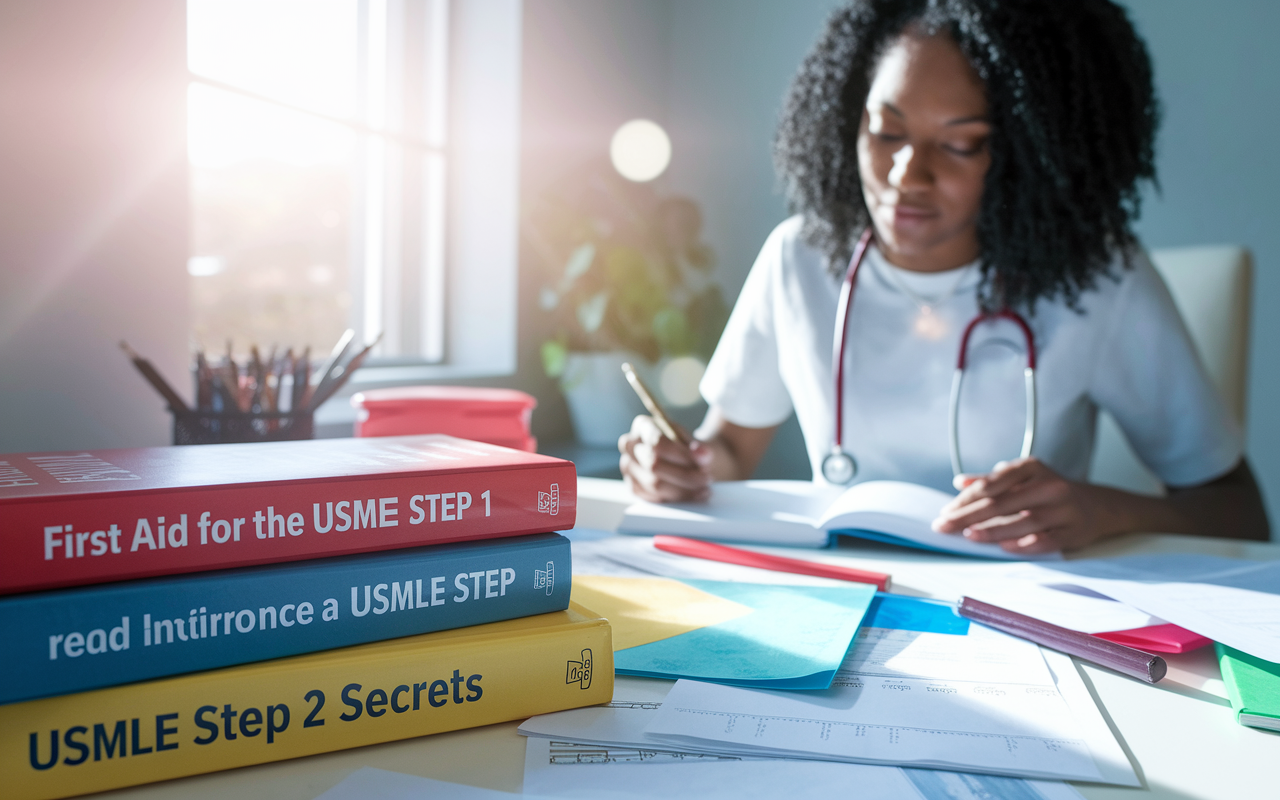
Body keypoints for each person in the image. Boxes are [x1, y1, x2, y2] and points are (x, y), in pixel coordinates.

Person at [618, 0, 1270, 553]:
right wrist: (676, 465)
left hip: (1027, 618)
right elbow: (727, 453)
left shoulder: (1098, 279)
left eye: (960, 145)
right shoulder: (799, 259)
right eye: (885, 132)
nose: (908, 175)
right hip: (841, 599)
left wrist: (1103, 511)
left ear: (1027, 152)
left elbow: (1240, 513)